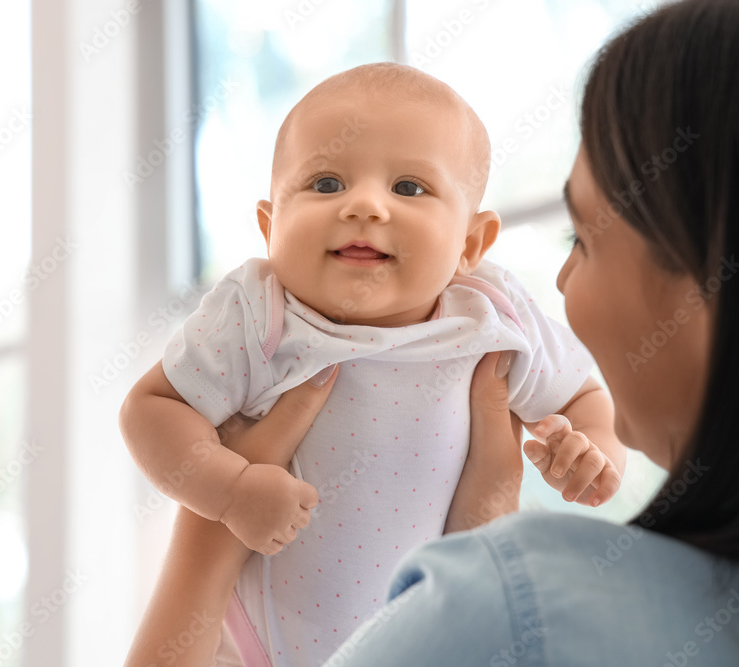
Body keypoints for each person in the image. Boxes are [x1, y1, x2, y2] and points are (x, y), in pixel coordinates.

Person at [125, 0, 739, 664]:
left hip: (413, 616)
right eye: (326, 182)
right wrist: (227, 491)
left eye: (410, 188)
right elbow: (151, 408)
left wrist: (590, 448)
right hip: (254, 636)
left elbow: (582, 399)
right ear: (270, 227)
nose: (364, 204)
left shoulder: (490, 314)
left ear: (473, 242)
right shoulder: (258, 311)